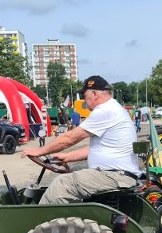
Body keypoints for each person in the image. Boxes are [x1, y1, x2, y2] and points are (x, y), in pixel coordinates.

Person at [21, 75, 141, 204]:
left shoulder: (105, 110)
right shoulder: (114, 108)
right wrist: (67, 157)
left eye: (85, 95)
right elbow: (99, 148)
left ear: (94, 94)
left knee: (62, 184)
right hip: (117, 174)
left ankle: (39, 223)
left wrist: (39, 151)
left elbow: (69, 139)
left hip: (114, 176)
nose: (84, 100)